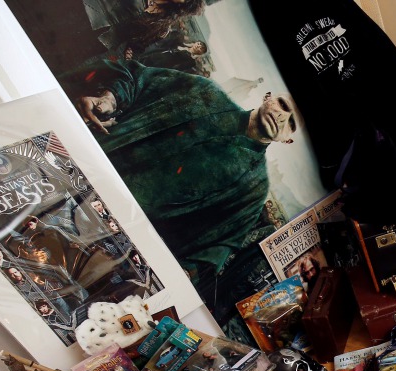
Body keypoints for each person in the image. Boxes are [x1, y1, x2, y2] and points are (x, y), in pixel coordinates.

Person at [71, 59, 296, 314]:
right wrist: (110, 99)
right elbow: (140, 79)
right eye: (282, 104)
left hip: (109, 241)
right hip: (78, 172)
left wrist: (179, 277)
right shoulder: (204, 91)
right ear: (268, 97)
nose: (281, 116)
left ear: (287, 140)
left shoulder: (254, 186)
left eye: (291, 123)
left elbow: (214, 249)